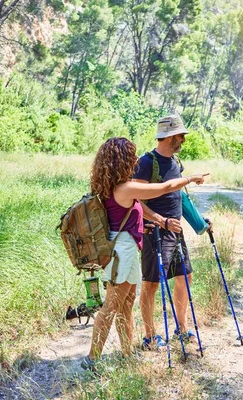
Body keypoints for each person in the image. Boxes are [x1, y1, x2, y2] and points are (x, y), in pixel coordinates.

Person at [82, 136, 206, 370]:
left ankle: (127, 353)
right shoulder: (125, 187)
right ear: (121, 160)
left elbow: (122, 219)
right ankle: (92, 359)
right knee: (111, 306)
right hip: (122, 253)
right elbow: (165, 187)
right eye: (131, 156)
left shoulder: (112, 187)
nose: (135, 160)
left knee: (126, 305)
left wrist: (148, 223)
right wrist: (189, 179)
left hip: (124, 249)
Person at [134, 114, 211, 350]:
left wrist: (200, 222)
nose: (183, 140)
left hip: (175, 231)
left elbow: (180, 197)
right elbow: (136, 199)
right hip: (154, 232)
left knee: (184, 277)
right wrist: (160, 221)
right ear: (168, 136)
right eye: (180, 135)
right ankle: (150, 336)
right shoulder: (146, 163)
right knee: (151, 284)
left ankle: (181, 327)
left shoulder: (176, 163)